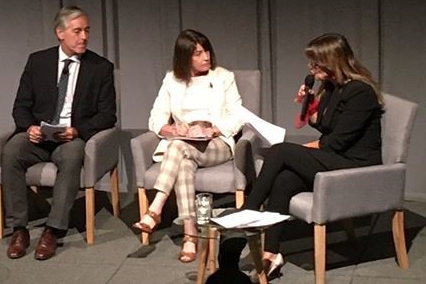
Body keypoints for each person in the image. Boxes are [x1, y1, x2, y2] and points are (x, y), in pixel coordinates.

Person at [242, 32, 383, 280]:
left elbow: (336, 142)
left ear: (332, 61)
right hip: (336, 158)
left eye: (316, 63)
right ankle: (271, 254)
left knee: (281, 150)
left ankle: (249, 211)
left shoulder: (360, 92)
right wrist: (309, 102)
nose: (311, 68)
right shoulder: (331, 87)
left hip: (357, 166)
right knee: (284, 179)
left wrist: (301, 151)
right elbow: (323, 125)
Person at [1, 6, 116, 261]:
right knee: (11, 152)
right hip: (39, 135)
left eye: (87, 31)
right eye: (77, 31)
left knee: (73, 155)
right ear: (60, 33)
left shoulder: (100, 67)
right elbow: (21, 106)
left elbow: (108, 115)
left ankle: (53, 230)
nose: (84, 36)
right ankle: (19, 229)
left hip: (70, 137)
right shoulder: (38, 61)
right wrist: (29, 127)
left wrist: (77, 130)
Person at [132, 29, 244, 264]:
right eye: (198, 53)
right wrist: (173, 130)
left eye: (206, 51)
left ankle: (155, 208)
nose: (206, 57)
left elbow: (237, 115)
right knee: (182, 159)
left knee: (176, 149)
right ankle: (190, 235)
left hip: (216, 143)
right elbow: (156, 118)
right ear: (184, 57)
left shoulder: (223, 77)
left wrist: (214, 130)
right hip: (184, 144)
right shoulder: (171, 80)